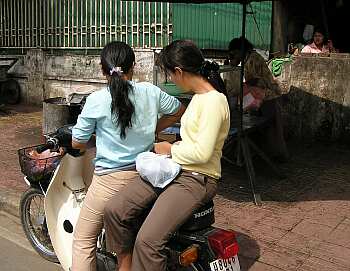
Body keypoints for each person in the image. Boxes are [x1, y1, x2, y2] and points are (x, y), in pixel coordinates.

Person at [103, 40, 230, 271]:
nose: (170, 80)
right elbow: (193, 143)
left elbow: (202, 153)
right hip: (175, 169)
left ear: (179, 71)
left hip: (197, 178)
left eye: (170, 74)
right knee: (115, 210)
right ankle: (125, 266)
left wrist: (168, 149)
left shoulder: (214, 101)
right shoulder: (198, 98)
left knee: (148, 242)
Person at [70, 41, 185, 271]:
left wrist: (86, 144)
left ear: (103, 70)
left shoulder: (96, 100)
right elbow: (178, 110)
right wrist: (153, 128)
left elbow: (77, 142)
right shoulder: (150, 92)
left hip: (108, 183)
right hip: (146, 177)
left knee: (83, 242)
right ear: (134, 66)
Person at [224, 37, 289, 161]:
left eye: (235, 53)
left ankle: (278, 155)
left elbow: (254, 80)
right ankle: (268, 154)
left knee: (272, 128)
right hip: (264, 95)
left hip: (269, 95)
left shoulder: (252, 59)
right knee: (267, 128)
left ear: (240, 50)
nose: (234, 56)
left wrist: (242, 87)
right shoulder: (249, 58)